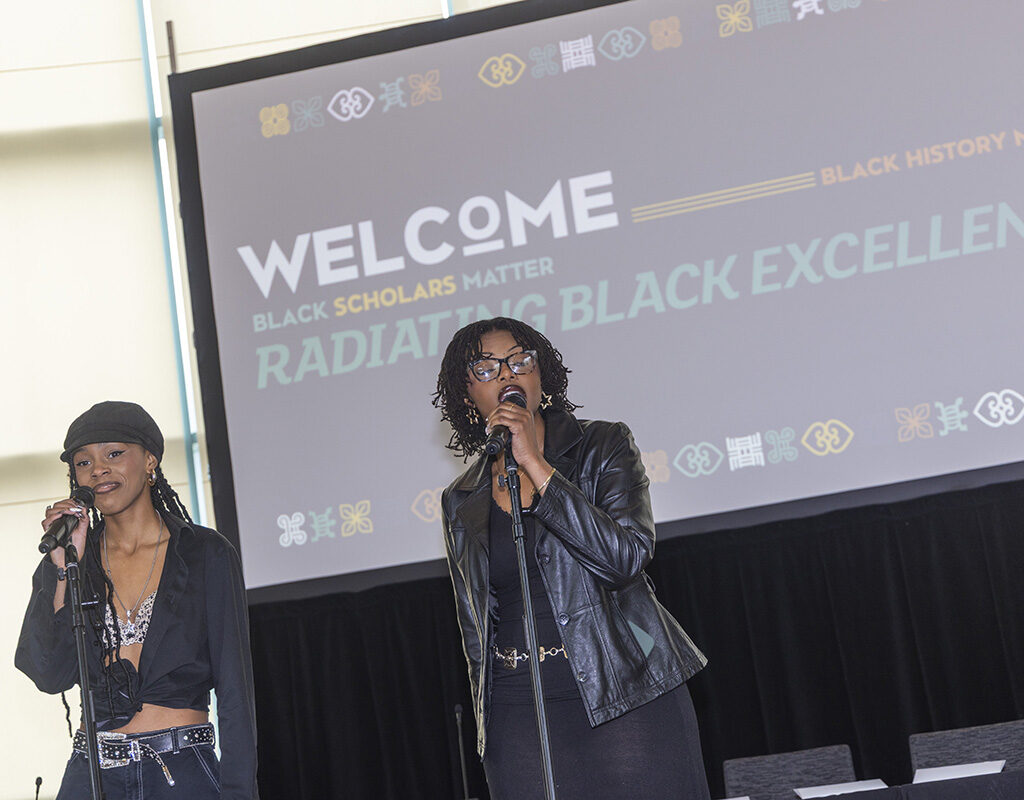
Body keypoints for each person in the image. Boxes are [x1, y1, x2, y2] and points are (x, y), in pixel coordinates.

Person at [434, 318, 711, 799]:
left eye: (520, 360)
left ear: (541, 376)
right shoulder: (462, 497)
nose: (508, 375)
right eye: (487, 369)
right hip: (519, 704)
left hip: (622, 684)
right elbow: (474, 624)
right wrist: (487, 724)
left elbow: (625, 558)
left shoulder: (602, 446)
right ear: (465, 396)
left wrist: (538, 467)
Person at [16, 401, 259, 799]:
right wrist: (63, 570)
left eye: (113, 454)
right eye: (83, 462)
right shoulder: (71, 560)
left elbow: (235, 691)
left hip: (180, 772)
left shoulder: (204, 554)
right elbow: (49, 674)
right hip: (91, 775)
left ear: (150, 460)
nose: (98, 470)